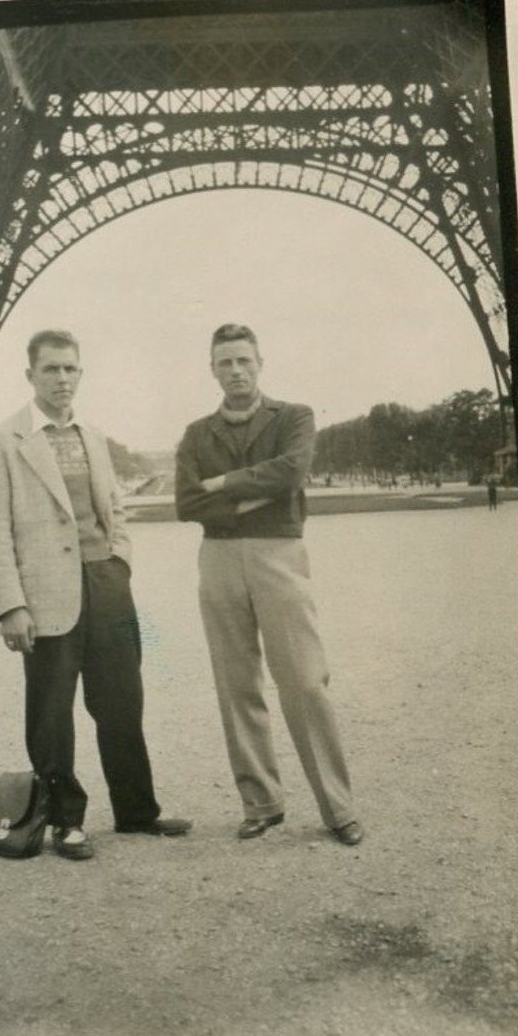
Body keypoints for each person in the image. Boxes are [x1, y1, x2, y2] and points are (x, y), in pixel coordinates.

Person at [0, 329, 191, 860]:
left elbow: (113, 508)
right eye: (51, 369)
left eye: (71, 369)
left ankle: (137, 810)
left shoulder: (92, 436)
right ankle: (65, 821)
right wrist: (10, 605)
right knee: (51, 712)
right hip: (45, 595)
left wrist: (120, 560)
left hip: (107, 586)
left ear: (80, 374)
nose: (63, 379)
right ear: (30, 376)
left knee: (123, 702)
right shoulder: (0, 441)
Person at [175, 323, 362, 845]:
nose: (235, 370)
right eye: (224, 363)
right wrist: (256, 495)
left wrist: (225, 486)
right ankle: (261, 802)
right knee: (236, 684)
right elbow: (186, 503)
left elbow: (292, 472)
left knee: (304, 679)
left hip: (278, 555)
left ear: (260, 363)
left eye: (243, 360)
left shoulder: (295, 416)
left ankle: (337, 806)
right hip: (217, 560)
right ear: (212, 369)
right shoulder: (195, 433)